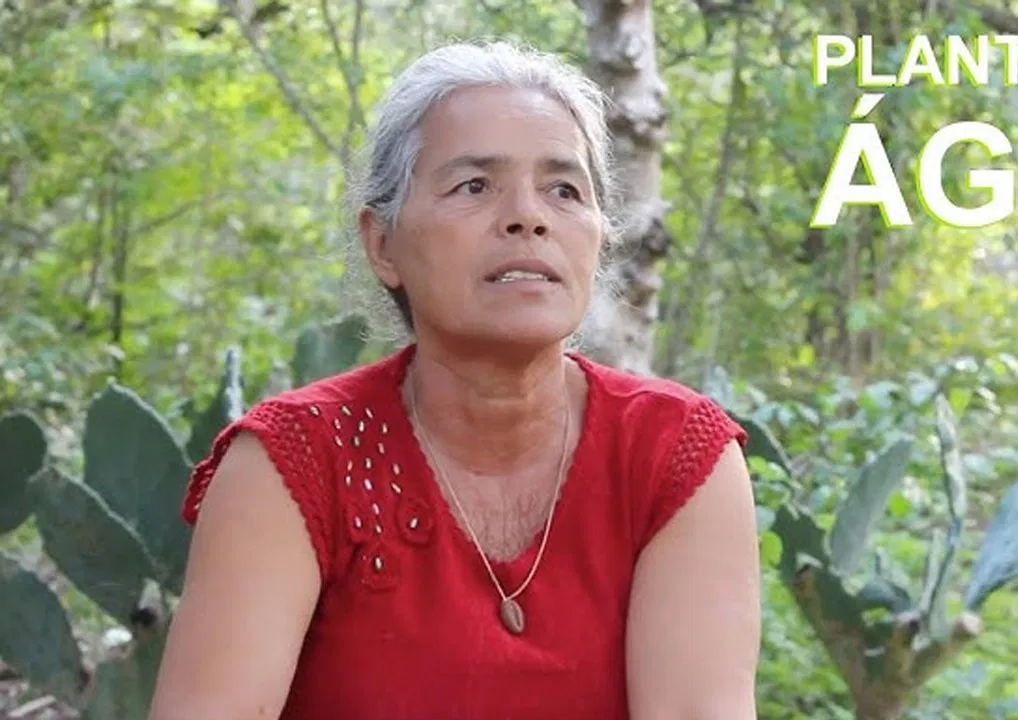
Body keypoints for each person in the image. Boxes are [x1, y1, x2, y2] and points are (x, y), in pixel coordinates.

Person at [147, 39, 762, 720]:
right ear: (383, 244)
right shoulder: (291, 464)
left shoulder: (676, 457)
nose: (529, 216)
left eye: (564, 188)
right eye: (475, 185)